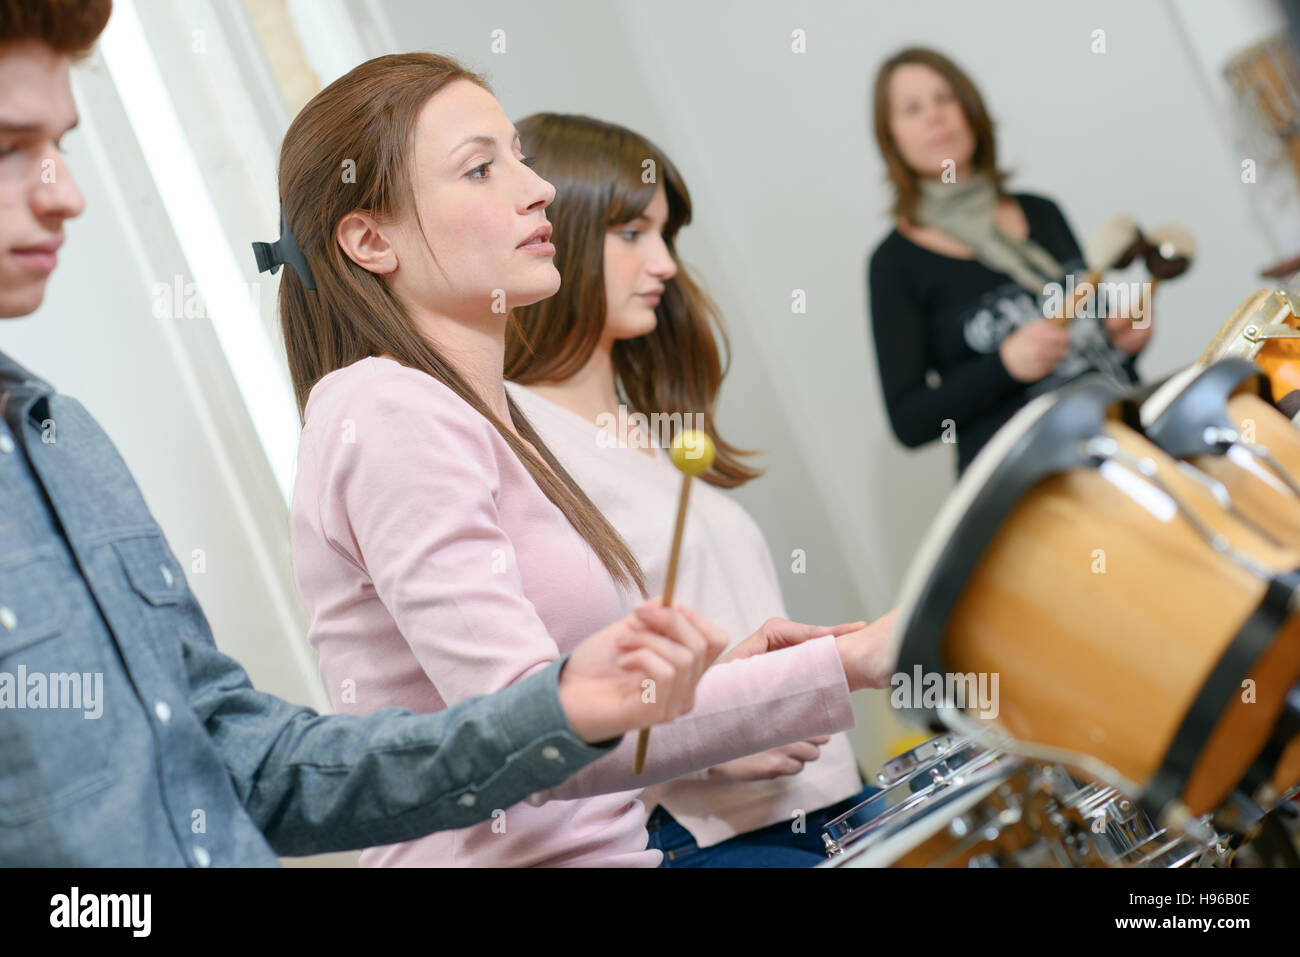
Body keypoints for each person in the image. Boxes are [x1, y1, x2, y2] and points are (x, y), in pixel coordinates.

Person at [0, 0, 728, 868]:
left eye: (63, 147)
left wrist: (579, 705)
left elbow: (245, 761)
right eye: (12, 148)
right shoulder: (383, 410)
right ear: (368, 239)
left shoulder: (60, 437)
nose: (66, 193)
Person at [280, 52, 896, 867]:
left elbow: (571, 714)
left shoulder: (474, 413)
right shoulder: (386, 409)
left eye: (520, 158)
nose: (537, 190)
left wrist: (705, 690)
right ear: (368, 239)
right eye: (480, 169)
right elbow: (527, 731)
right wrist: (851, 659)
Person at [503, 112, 894, 866]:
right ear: (562, 233)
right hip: (716, 835)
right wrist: (710, 747)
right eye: (632, 234)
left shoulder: (649, 429)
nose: (666, 264)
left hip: (833, 797)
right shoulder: (523, 442)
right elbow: (540, 699)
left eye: (665, 235)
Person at [867, 47, 1153, 475]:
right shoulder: (894, 264)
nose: (935, 117)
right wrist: (1004, 366)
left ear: (970, 111)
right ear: (892, 140)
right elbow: (910, 422)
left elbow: (1098, 349)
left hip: (1126, 445)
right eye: (912, 109)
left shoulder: (1042, 211)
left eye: (945, 99)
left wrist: (1123, 340)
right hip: (1029, 483)